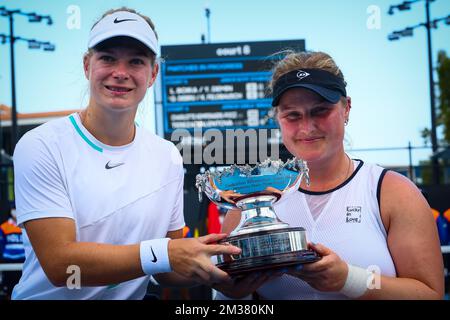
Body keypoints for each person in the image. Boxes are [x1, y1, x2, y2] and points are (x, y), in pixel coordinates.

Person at [11, 7, 240, 300]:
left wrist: (226, 270)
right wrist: (165, 253)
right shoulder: (41, 145)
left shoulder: (167, 155)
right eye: (107, 58)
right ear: (87, 65)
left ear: (153, 73)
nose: (120, 73)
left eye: (136, 61)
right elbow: (61, 265)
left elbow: (167, 269)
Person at [215, 51, 444, 299]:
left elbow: (430, 294)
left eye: (320, 110)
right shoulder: (250, 202)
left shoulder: (392, 192)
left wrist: (349, 280)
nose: (306, 127)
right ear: (278, 119)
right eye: (293, 115)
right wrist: (230, 294)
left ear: (346, 108)